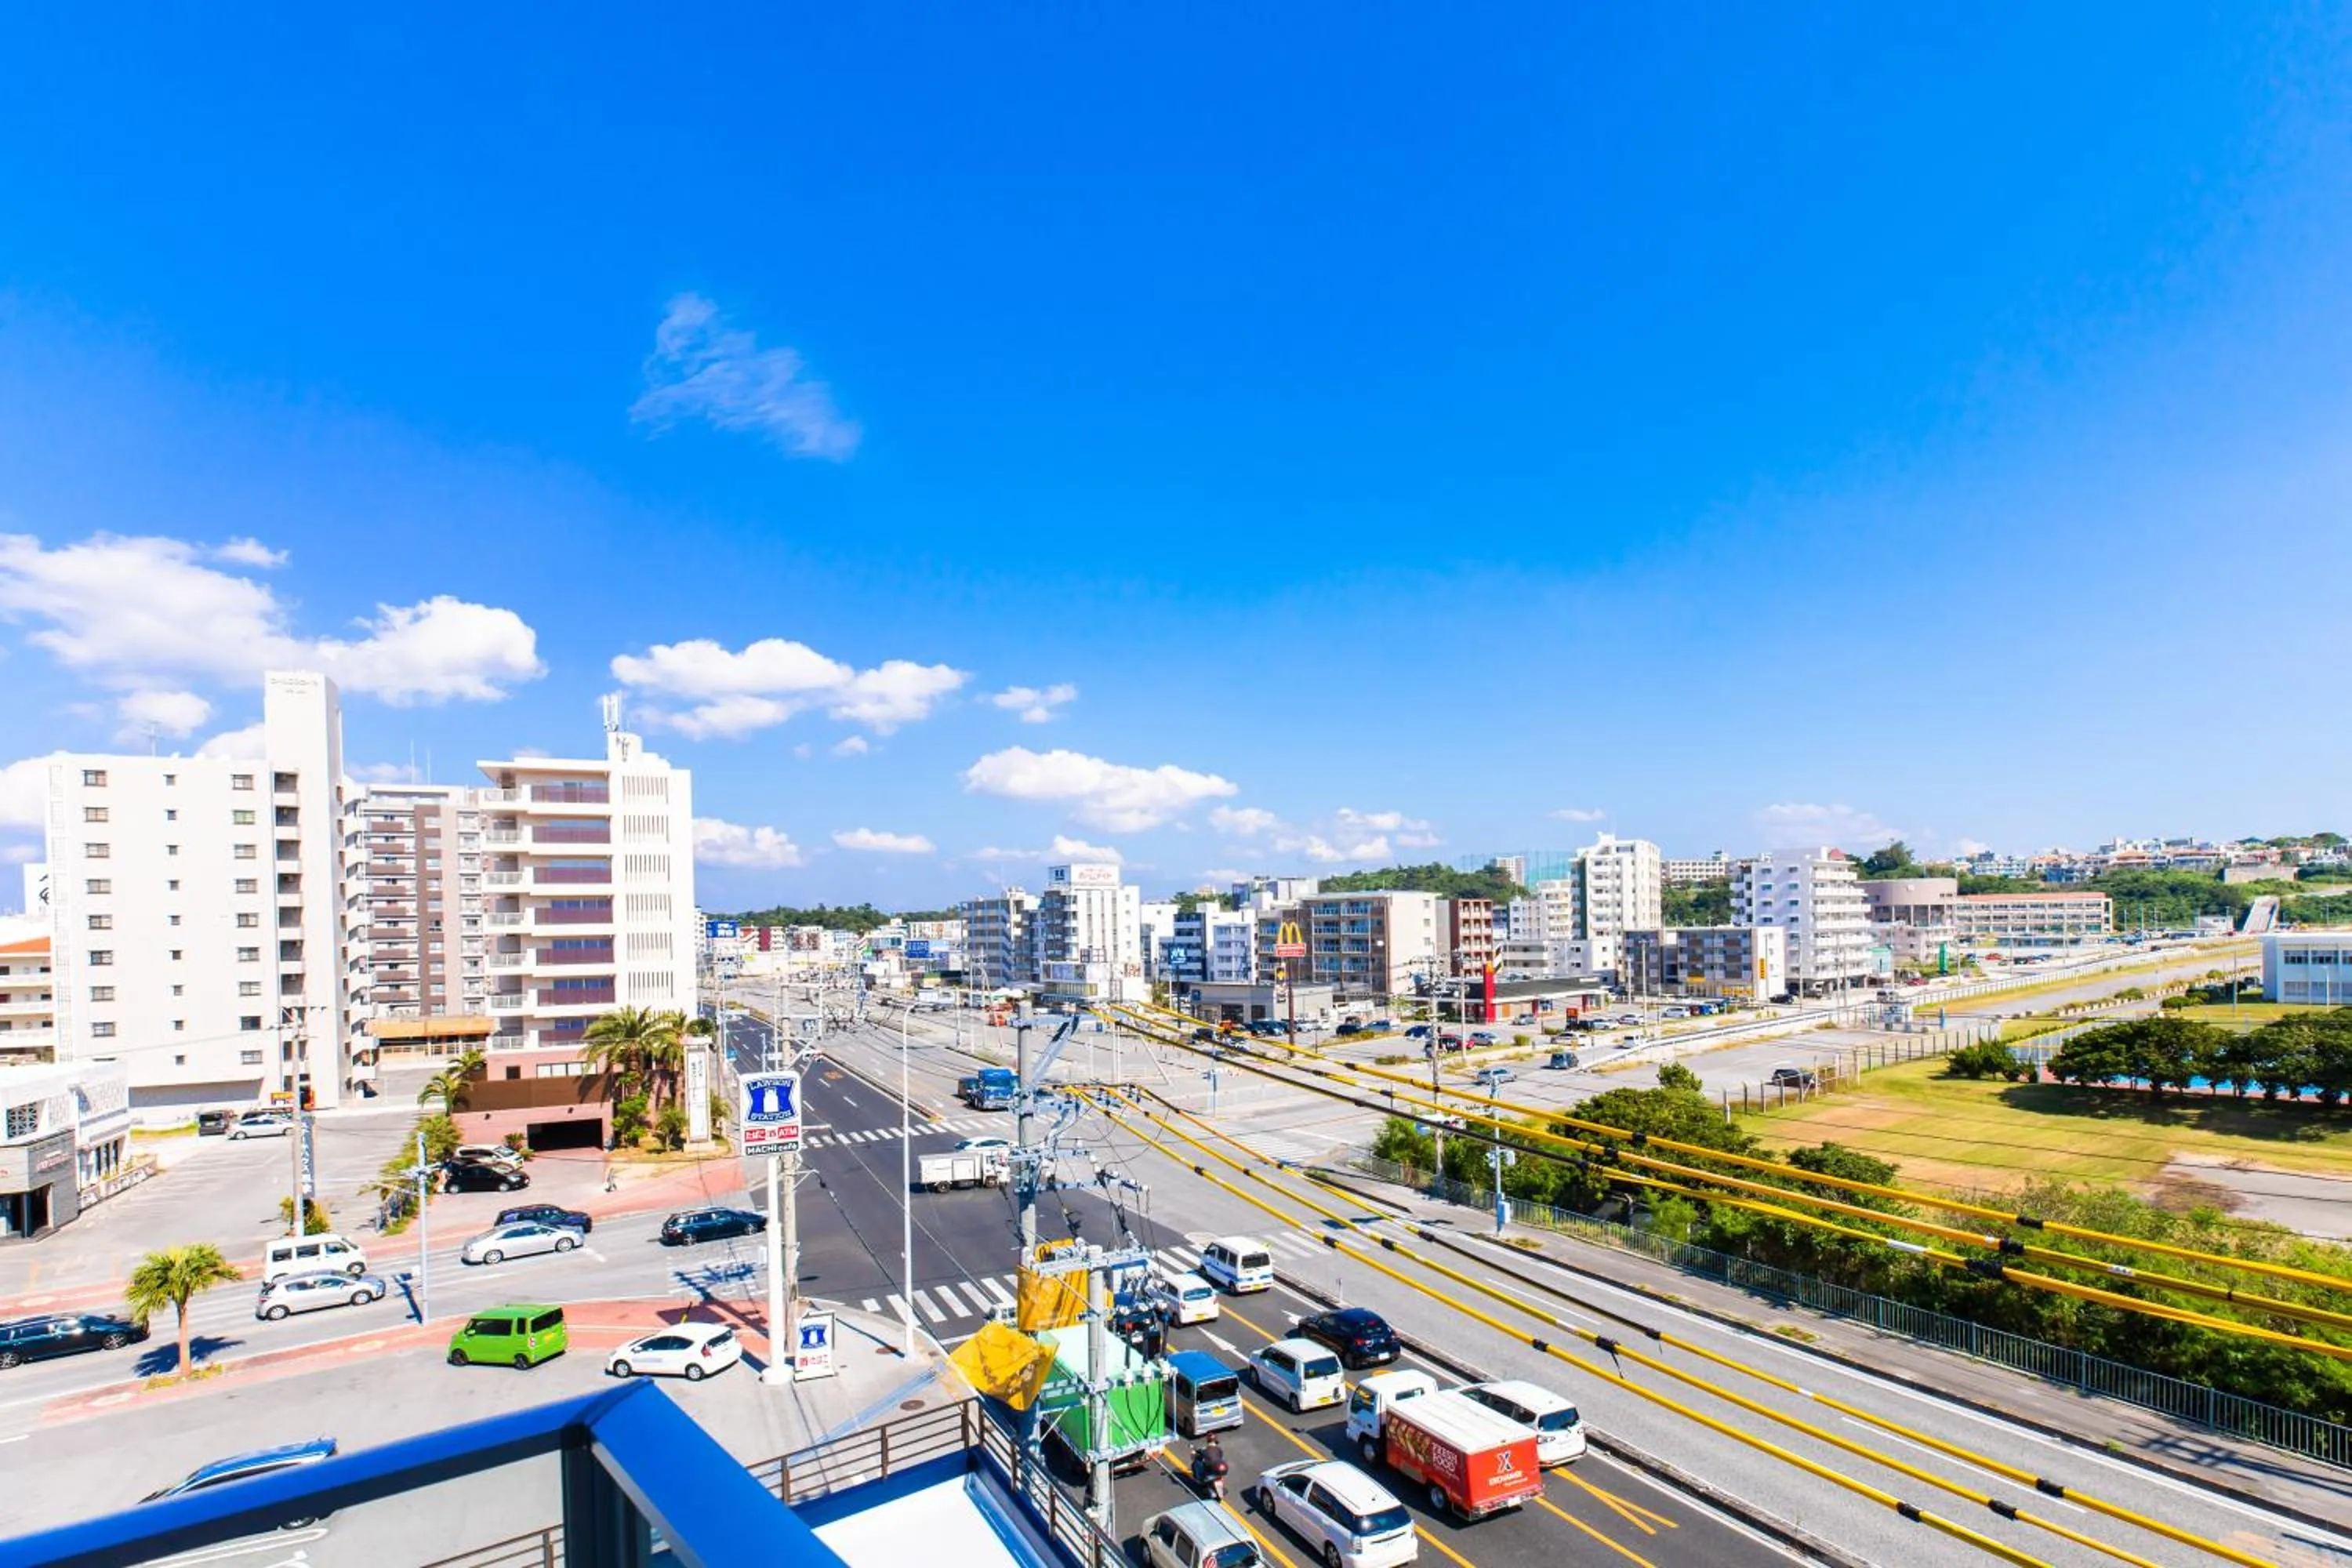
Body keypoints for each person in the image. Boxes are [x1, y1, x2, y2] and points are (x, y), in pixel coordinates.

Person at [1194, 1434, 1229, 1501]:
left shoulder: (1205, 1450)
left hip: (1212, 1471)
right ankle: (1218, 1489)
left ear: (1208, 1441)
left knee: (1199, 1464)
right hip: (1222, 1470)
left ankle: (1201, 1480)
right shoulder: (1219, 1449)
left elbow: (1198, 1455)